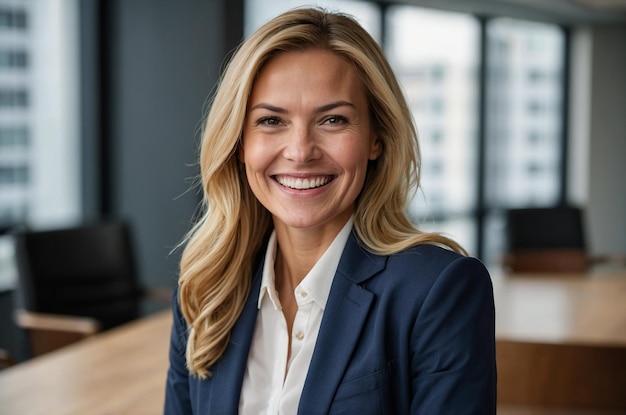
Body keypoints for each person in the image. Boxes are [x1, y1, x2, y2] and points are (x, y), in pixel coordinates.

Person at [164, 7, 496, 414]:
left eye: (333, 119)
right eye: (271, 121)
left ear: (377, 138)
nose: (301, 151)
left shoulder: (438, 291)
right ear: (239, 144)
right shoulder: (207, 288)